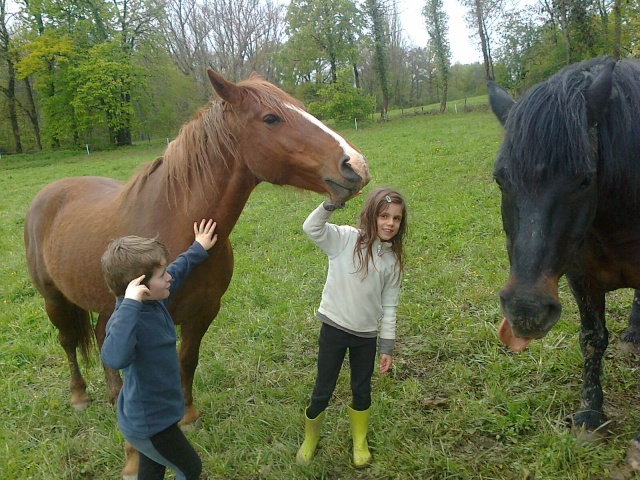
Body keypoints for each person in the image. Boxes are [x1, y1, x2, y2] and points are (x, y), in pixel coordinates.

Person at [297, 187, 407, 468]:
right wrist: (332, 203)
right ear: (371, 215)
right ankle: (311, 438)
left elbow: (390, 306)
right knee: (324, 386)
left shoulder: (392, 262)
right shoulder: (345, 239)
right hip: (333, 330)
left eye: (396, 218)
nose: (389, 223)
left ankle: (360, 441)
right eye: (384, 216)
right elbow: (311, 227)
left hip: (365, 337)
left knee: (362, 388)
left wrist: (387, 346)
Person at [100, 219, 218, 480]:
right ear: (140, 287)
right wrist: (130, 306)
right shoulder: (128, 319)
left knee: (153, 468)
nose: (169, 278)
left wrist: (198, 248)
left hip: (158, 416)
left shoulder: (154, 301)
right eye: (161, 276)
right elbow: (113, 357)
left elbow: (177, 270)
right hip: (150, 425)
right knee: (190, 469)